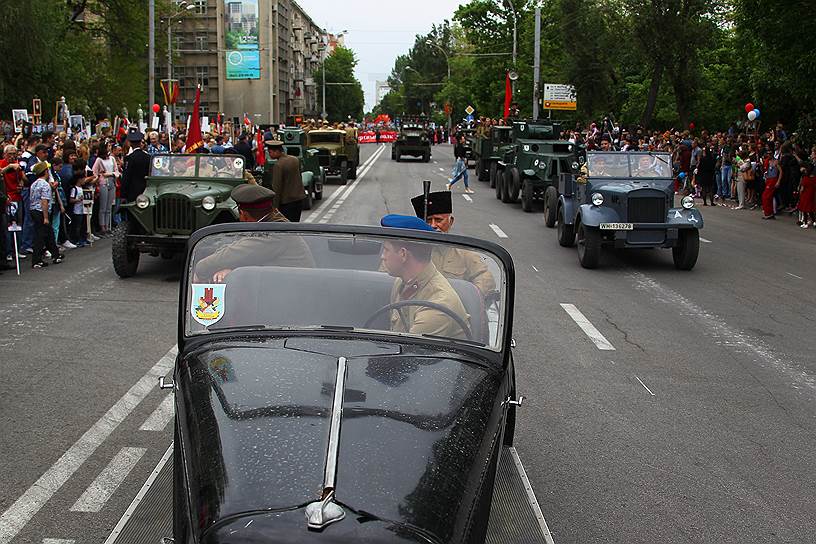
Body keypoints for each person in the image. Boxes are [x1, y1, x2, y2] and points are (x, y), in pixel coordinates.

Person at [194, 184, 314, 283]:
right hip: (285, 284)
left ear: (244, 214)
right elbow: (239, 247)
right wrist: (230, 265)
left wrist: (201, 269)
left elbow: (233, 254)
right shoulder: (272, 220)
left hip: (292, 292)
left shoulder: (273, 233)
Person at [379, 214, 470, 339]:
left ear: (403, 254)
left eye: (386, 250)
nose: (382, 256)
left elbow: (408, 353)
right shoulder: (402, 283)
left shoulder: (437, 306)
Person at [410, 190, 495, 295]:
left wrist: (467, 298)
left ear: (450, 222)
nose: (433, 225)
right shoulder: (409, 252)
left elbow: (486, 279)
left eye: (438, 220)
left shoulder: (464, 253)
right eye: (428, 220)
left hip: (451, 308)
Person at [28, 161, 63, 268]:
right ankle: (36, 260)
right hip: (41, 212)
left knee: (49, 234)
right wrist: (46, 217)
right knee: (41, 236)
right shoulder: (45, 185)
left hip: (33, 210)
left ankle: (55, 254)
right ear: (45, 172)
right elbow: (44, 201)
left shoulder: (34, 184)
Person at [264, 139, 305, 222]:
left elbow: (276, 187)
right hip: (298, 198)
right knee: (295, 224)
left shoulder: (278, 165)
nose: (270, 154)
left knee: (286, 227)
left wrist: (275, 207)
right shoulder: (294, 159)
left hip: (286, 202)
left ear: (276, 151)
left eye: (270, 152)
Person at [92, 139, 119, 236]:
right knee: (103, 207)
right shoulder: (99, 160)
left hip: (112, 182)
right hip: (103, 183)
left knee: (109, 207)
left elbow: (116, 171)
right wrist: (99, 177)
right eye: (108, 146)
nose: (109, 147)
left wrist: (111, 174)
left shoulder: (112, 158)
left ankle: (108, 226)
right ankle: (102, 226)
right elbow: (94, 172)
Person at [121, 128, 150, 203]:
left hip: (132, 190)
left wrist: (123, 194)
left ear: (130, 144)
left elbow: (126, 176)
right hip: (146, 189)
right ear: (141, 143)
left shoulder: (129, 158)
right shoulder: (148, 157)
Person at [798, 162, 816, 228]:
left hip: (805, 195)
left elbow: (802, 189)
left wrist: (799, 192)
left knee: (804, 210)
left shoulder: (805, 179)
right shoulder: (814, 178)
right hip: (811, 195)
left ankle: (805, 223)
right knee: (810, 209)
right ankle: (814, 221)